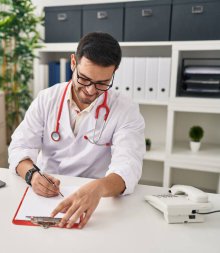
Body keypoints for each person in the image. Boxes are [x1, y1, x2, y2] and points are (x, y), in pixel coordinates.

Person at [8, 32, 145, 229]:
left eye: (102, 83)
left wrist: (98, 188)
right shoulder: (47, 99)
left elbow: (129, 166)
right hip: (45, 198)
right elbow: (19, 147)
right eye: (84, 79)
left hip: (98, 200)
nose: (90, 90)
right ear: (73, 62)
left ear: (113, 73)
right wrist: (32, 176)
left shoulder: (125, 109)